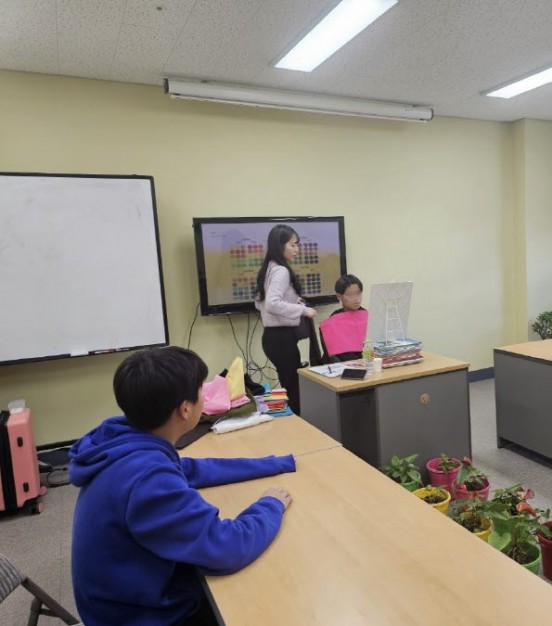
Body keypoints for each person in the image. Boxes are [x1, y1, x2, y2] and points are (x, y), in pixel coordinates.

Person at [70, 347, 296, 626]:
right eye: (202, 389)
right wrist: (270, 505)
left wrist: (273, 464)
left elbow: (191, 470)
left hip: (126, 593)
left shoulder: (124, 440)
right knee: (266, 600)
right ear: (185, 409)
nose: (206, 394)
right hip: (140, 616)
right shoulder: (147, 478)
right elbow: (226, 547)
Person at [254, 225, 317, 415]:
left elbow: (259, 302)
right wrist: (303, 310)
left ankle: (293, 423)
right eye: (293, 245)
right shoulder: (281, 270)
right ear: (279, 245)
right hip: (281, 338)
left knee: (290, 387)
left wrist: (291, 301)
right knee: (294, 390)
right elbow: (272, 304)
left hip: (272, 338)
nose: (297, 249)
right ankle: (298, 426)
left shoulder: (269, 268)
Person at [320, 274, 366, 362]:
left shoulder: (367, 316)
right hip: (344, 365)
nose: (356, 299)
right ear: (339, 296)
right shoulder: (333, 322)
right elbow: (339, 355)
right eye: (350, 294)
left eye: (358, 293)